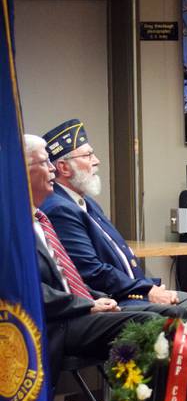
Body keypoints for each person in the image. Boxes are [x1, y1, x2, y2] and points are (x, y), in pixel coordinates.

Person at [39, 119, 187, 322]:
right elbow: (91, 271)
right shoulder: (60, 208)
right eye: (87, 155)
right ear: (64, 167)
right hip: (108, 299)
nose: (96, 161)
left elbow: (119, 254)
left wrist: (149, 287)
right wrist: (146, 290)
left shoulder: (85, 202)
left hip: (128, 290)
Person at [24, 133, 161, 380]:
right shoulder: (14, 226)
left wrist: (96, 297)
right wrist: (87, 304)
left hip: (78, 308)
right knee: (150, 323)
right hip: (55, 322)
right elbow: (30, 289)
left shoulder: (40, 219)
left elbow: (66, 276)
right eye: (44, 162)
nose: (52, 169)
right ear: (22, 171)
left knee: (163, 319)